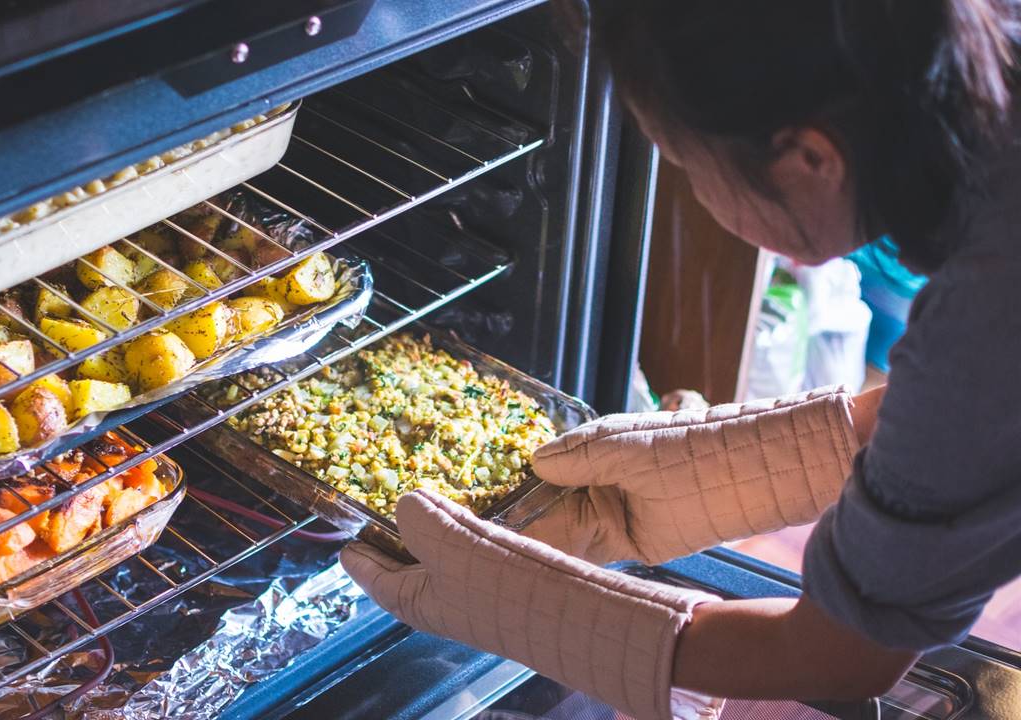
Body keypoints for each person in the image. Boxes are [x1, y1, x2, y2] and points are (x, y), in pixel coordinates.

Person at [341, 2, 1021, 718]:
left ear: (811, 160)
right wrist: (739, 465)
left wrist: (530, 610)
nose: (697, 192)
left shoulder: (988, 307)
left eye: (688, 165)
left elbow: (842, 656)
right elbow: (977, 420)